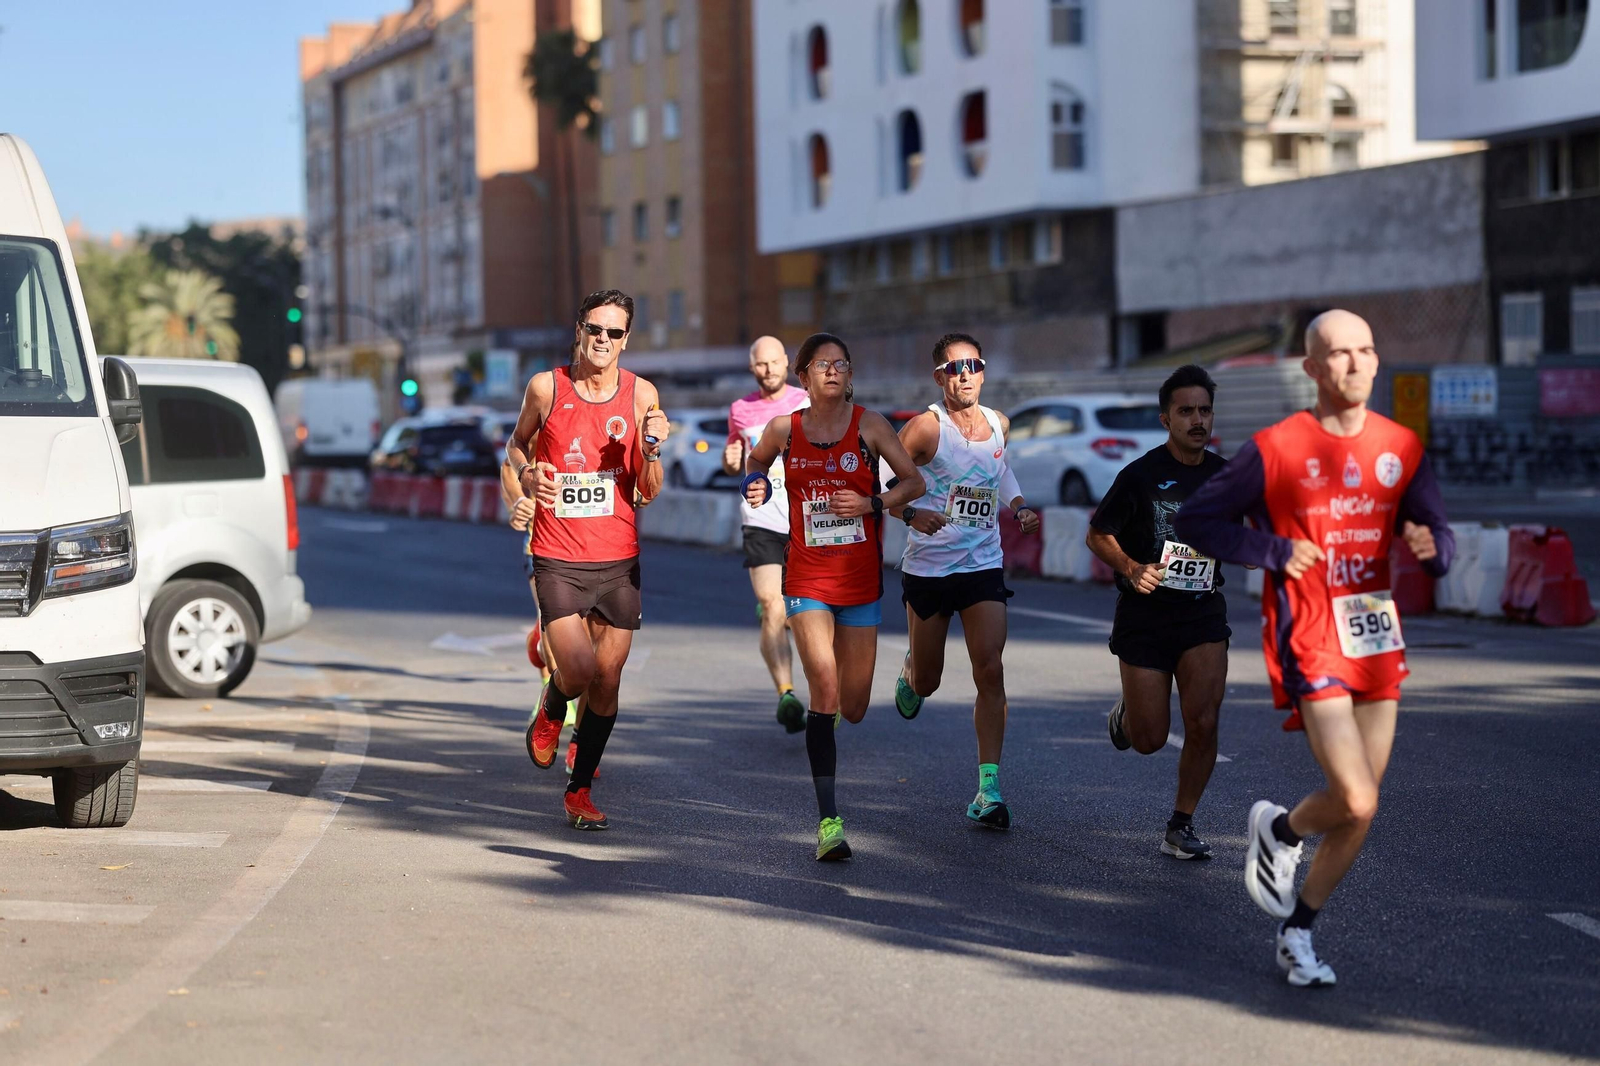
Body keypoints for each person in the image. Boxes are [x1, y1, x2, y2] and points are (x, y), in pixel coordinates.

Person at [1176, 310, 1452, 987]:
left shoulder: (1401, 445)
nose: (1355, 363)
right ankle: (1282, 835)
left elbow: (1436, 529)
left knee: (1363, 803)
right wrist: (1271, 549)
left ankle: (1295, 922)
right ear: (1312, 369)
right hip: (1309, 631)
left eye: (1365, 350)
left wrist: (1432, 549)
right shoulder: (1275, 448)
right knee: (1355, 800)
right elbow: (1195, 518)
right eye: (1339, 353)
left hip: (1373, 631)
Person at [742, 333, 924, 861]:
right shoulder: (785, 429)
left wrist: (871, 502)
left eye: (841, 364)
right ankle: (828, 822)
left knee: (856, 705)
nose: (833, 372)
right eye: (822, 365)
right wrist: (757, 485)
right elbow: (755, 464)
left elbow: (912, 483)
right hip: (806, 580)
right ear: (803, 377)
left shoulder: (869, 425)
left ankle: (880, 689)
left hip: (861, 583)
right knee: (823, 688)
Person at [506, 289, 670, 831]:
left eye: (614, 332)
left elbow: (650, 490)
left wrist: (651, 452)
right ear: (578, 330)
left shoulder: (642, 394)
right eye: (594, 329)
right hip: (557, 554)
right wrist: (524, 487)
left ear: (627, 339)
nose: (602, 340)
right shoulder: (546, 387)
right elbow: (516, 447)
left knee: (609, 678)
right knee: (576, 669)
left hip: (619, 560)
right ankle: (551, 711)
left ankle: (579, 792)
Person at [887, 333, 1039, 829]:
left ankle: (988, 789)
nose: (965, 374)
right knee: (928, 681)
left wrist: (1016, 506)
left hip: (982, 565)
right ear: (940, 377)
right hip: (929, 568)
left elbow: (1002, 470)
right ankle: (912, 668)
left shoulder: (999, 423)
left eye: (973, 365)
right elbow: (879, 483)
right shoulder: (925, 430)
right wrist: (911, 515)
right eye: (955, 368)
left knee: (990, 669)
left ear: (983, 370)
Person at [1086, 364, 1230, 860]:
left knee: (1205, 721)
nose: (1197, 420)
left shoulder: (1225, 476)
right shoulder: (1140, 476)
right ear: (1166, 418)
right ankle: (1128, 715)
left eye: (1204, 410)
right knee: (1149, 739)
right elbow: (1096, 534)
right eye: (1185, 411)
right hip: (1145, 617)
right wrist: (1130, 565)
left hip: (1202, 612)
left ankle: (1181, 824)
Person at [722, 336, 810, 732]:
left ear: (787, 363)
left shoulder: (806, 403)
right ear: (752, 367)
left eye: (775, 362)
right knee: (772, 605)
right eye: (761, 364)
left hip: (808, 521)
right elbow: (734, 462)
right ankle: (786, 693)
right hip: (761, 519)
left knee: (810, 613)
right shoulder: (740, 410)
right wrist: (729, 461)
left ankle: (829, 691)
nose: (769, 369)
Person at [499, 456, 588, 775]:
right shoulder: (543, 416)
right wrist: (520, 501)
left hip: (594, 548)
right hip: (541, 548)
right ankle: (561, 709)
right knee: (555, 623)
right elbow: (509, 465)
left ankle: (582, 739)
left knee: (591, 645)